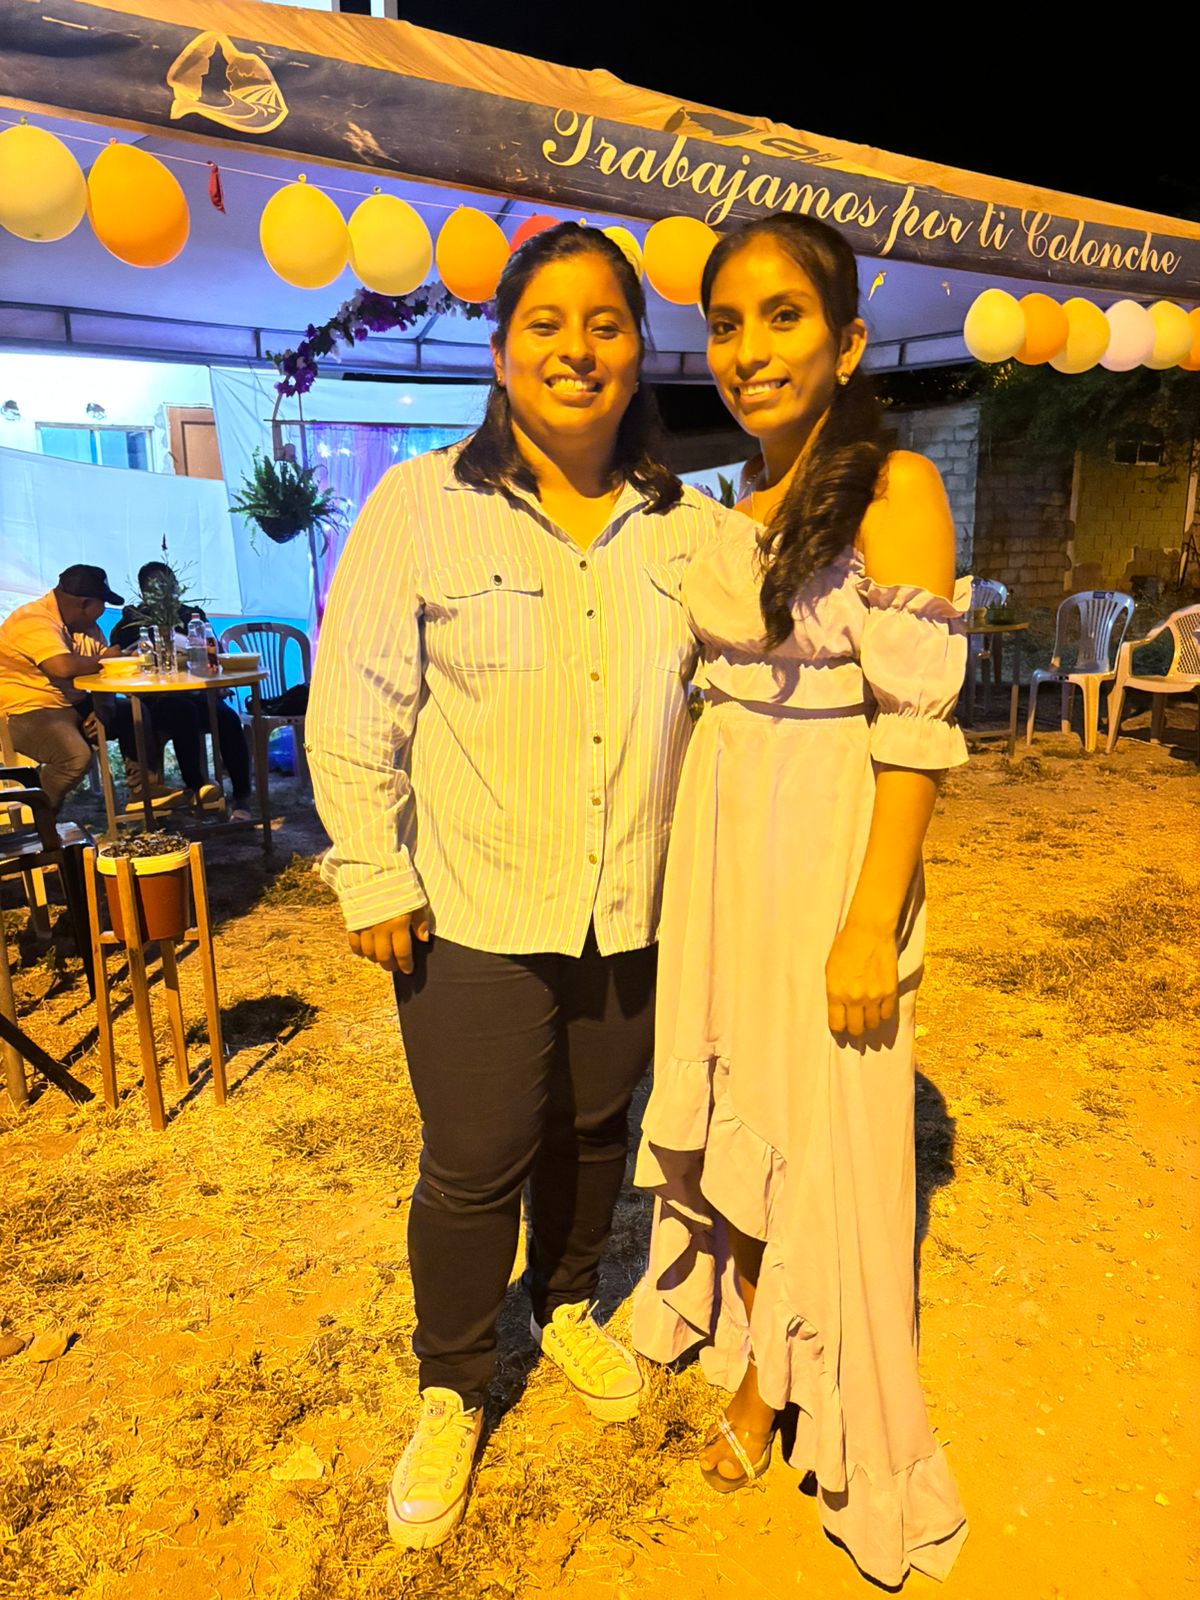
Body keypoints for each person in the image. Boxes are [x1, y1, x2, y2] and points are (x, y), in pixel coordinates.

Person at [308, 222, 731, 1551]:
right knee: (477, 1157)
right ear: (501, 353)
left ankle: (562, 1308)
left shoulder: (692, 530)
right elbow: (356, 702)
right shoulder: (421, 506)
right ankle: (450, 1381)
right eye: (547, 323)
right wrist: (372, 872)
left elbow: (755, 682)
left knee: (597, 1131)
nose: (577, 349)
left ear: (639, 352)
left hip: (634, 906)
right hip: (473, 909)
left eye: (606, 323)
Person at [631, 215, 969, 1587]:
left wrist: (869, 918)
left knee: (827, 1134)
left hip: (826, 848)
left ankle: (787, 1386)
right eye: (725, 323)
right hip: (725, 849)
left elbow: (916, 731)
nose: (748, 348)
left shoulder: (895, 488)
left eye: (782, 317)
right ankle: (760, 1341)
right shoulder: (737, 495)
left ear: (847, 340)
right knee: (737, 1110)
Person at [111, 561, 254, 820]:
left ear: (177, 586)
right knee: (183, 711)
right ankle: (198, 788)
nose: (164, 593)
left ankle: (242, 796)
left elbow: (213, 651)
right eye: (155, 587)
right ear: (143, 591)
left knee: (228, 718)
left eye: (169, 586)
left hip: (198, 691)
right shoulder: (131, 622)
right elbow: (123, 659)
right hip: (157, 698)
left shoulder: (192, 616)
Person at [0, 564, 125, 811]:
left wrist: (104, 705)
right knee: (75, 757)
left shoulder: (86, 626)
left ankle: (145, 796)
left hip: (71, 704)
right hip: (23, 710)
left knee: (135, 715)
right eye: (102, 603)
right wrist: (108, 659)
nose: (103, 611)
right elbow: (62, 667)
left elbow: (103, 674)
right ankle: (40, 819)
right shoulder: (33, 619)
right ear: (84, 603)